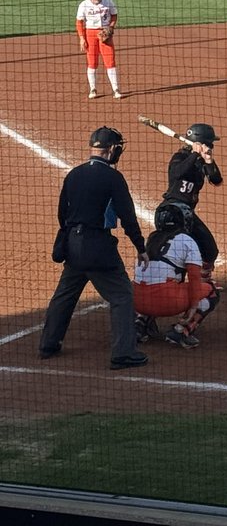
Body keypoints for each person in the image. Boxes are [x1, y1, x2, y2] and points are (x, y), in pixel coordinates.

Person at [39, 127, 150, 369]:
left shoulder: (74, 174)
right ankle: (123, 353)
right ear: (112, 149)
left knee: (65, 296)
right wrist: (140, 247)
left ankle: (48, 344)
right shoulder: (113, 178)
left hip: (73, 245)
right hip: (99, 247)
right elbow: (127, 216)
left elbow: (62, 213)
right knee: (122, 296)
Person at [134, 201, 220, 350]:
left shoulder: (151, 239)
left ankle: (139, 325)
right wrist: (193, 306)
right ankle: (181, 331)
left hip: (137, 302)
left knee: (150, 281)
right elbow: (194, 278)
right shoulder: (187, 241)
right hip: (167, 301)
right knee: (211, 291)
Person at [161, 122, 223, 278]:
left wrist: (208, 159)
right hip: (172, 211)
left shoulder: (201, 161)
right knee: (180, 254)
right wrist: (195, 154)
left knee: (210, 250)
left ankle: (203, 280)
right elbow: (177, 173)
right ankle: (174, 286)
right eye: (210, 142)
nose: (212, 146)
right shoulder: (179, 157)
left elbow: (217, 181)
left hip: (187, 213)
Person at [75, 0, 123, 100]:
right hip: (90, 34)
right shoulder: (84, 5)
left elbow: (114, 15)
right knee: (92, 62)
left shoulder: (108, 2)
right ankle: (93, 89)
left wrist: (111, 27)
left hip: (104, 32)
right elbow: (79, 22)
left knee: (110, 61)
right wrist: (82, 38)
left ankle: (115, 89)